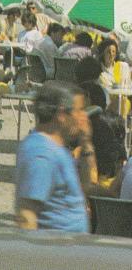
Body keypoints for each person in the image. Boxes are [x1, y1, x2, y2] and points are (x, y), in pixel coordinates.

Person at [15, 82, 92, 232]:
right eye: (80, 110)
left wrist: (86, 144)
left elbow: (82, 189)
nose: (85, 117)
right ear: (62, 115)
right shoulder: (42, 154)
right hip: (56, 251)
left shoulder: (57, 147)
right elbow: (27, 215)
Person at [96, 38, 131, 115]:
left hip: (122, 102)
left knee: (124, 102)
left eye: (113, 51)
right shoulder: (98, 71)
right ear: (102, 53)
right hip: (105, 103)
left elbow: (127, 86)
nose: (111, 54)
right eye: (108, 52)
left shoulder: (122, 66)